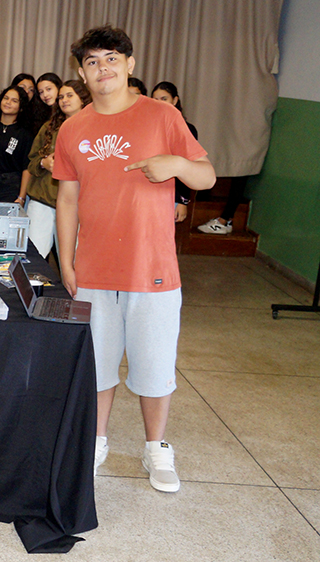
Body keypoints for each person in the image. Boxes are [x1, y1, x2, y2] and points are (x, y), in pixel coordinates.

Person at [53, 25, 215, 493]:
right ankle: (95, 441)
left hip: (153, 270)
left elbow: (206, 176)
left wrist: (176, 165)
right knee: (97, 365)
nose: (102, 68)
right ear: (81, 72)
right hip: (94, 269)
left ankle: (156, 447)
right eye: (91, 61)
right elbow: (67, 199)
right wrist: (67, 261)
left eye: (111, 58)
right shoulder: (73, 127)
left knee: (155, 367)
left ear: (129, 64)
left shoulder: (162, 116)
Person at [25, 79, 91, 260]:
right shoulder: (49, 128)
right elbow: (30, 162)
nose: (64, 100)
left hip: (76, 205)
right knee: (33, 258)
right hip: (43, 202)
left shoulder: (95, 129)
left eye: (70, 96)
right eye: (61, 97)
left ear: (83, 99)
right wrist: (43, 163)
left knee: (73, 261)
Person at [152, 81, 198, 223]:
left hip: (173, 195)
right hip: (147, 193)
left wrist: (183, 201)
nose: (159, 103)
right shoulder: (147, 127)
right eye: (155, 100)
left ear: (175, 100)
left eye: (164, 99)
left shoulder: (187, 129)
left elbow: (188, 167)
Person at [0, 86, 32, 203]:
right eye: (6, 98)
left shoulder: (25, 133)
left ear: (21, 107)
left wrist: (21, 197)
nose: (8, 102)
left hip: (10, 188)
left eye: (14, 101)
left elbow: (26, 168)